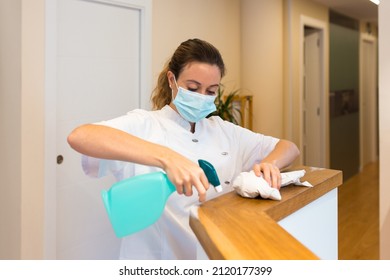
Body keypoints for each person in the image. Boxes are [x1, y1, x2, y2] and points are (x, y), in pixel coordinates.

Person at [67, 38, 300, 259]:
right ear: (172, 80)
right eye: (193, 87)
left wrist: (270, 163)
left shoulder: (222, 130)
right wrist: (167, 158)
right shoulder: (146, 124)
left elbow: (288, 147)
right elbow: (81, 136)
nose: (202, 97)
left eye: (210, 91)